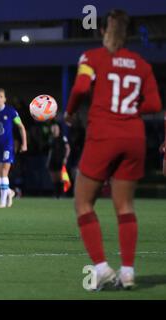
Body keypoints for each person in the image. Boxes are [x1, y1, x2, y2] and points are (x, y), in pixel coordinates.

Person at [64, 10, 162, 290]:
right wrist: (129, 110)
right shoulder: (142, 64)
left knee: (83, 203)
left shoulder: (91, 58)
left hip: (104, 135)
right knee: (125, 206)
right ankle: (128, 272)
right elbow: (154, 105)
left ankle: (103, 269)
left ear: (103, 31)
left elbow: (81, 87)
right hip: (133, 137)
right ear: (128, 34)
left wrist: (70, 113)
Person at [0, 89, 27, 208]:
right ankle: (8, 191)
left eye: (1, 96)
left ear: (5, 99)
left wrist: (24, 143)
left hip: (7, 146)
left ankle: (2, 201)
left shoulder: (11, 112)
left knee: (3, 172)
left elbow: (21, 127)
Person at [47, 123, 70, 198]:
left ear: (59, 130)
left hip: (60, 160)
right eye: (53, 128)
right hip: (52, 160)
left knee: (61, 177)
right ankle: (56, 194)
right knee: (54, 179)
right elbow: (50, 151)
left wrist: (65, 158)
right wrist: (48, 160)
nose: (54, 130)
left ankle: (63, 194)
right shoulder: (51, 138)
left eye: (56, 128)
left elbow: (68, 148)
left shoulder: (63, 138)